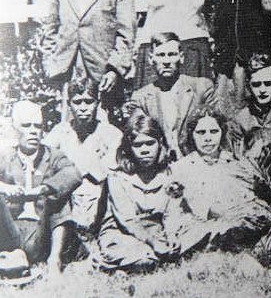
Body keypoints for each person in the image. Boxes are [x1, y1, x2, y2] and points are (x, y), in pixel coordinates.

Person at [96, 113, 211, 272]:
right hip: (125, 234)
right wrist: (154, 243)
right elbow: (128, 221)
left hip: (159, 231)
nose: (144, 150)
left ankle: (163, 256)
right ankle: (146, 260)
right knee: (142, 255)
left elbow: (172, 212)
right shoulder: (118, 178)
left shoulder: (169, 174)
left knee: (200, 230)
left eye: (150, 143)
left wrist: (171, 235)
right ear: (128, 148)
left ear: (160, 144)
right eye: (138, 145)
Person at [0, 101, 81, 274]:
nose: (33, 131)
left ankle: (55, 260)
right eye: (26, 125)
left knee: (58, 193)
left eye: (38, 126)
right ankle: (14, 256)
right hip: (11, 231)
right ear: (14, 128)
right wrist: (4, 187)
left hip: (42, 232)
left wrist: (42, 189)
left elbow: (73, 174)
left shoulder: (52, 155)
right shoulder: (6, 157)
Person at [169, 110, 267, 251]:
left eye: (214, 131)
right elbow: (176, 209)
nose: (208, 138)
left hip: (239, 221)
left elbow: (250, 196)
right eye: (201, 133)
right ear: (192, 135)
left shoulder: (235, 161)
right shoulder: (180, 168)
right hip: (201, 225)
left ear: (222, 133)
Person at [42, 78, 120, 241]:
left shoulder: (111, 134)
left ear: (97, 103)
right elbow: (42, 161)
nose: (83, 108)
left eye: (88, 102)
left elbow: (115, 173)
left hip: (100, 196)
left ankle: (93, 228)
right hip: (68, 196)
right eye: (77, 102)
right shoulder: (61, 132)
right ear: (69, 104)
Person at [127, 32, 218, 160]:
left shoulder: (201, 88)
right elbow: (139, 136)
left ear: (181, 57)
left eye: (171, 55)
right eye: (161, 55)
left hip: (197, 162)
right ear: (151, 59)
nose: (166, 61)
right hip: (160, 166)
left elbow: (216, 130)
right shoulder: (141, 98)